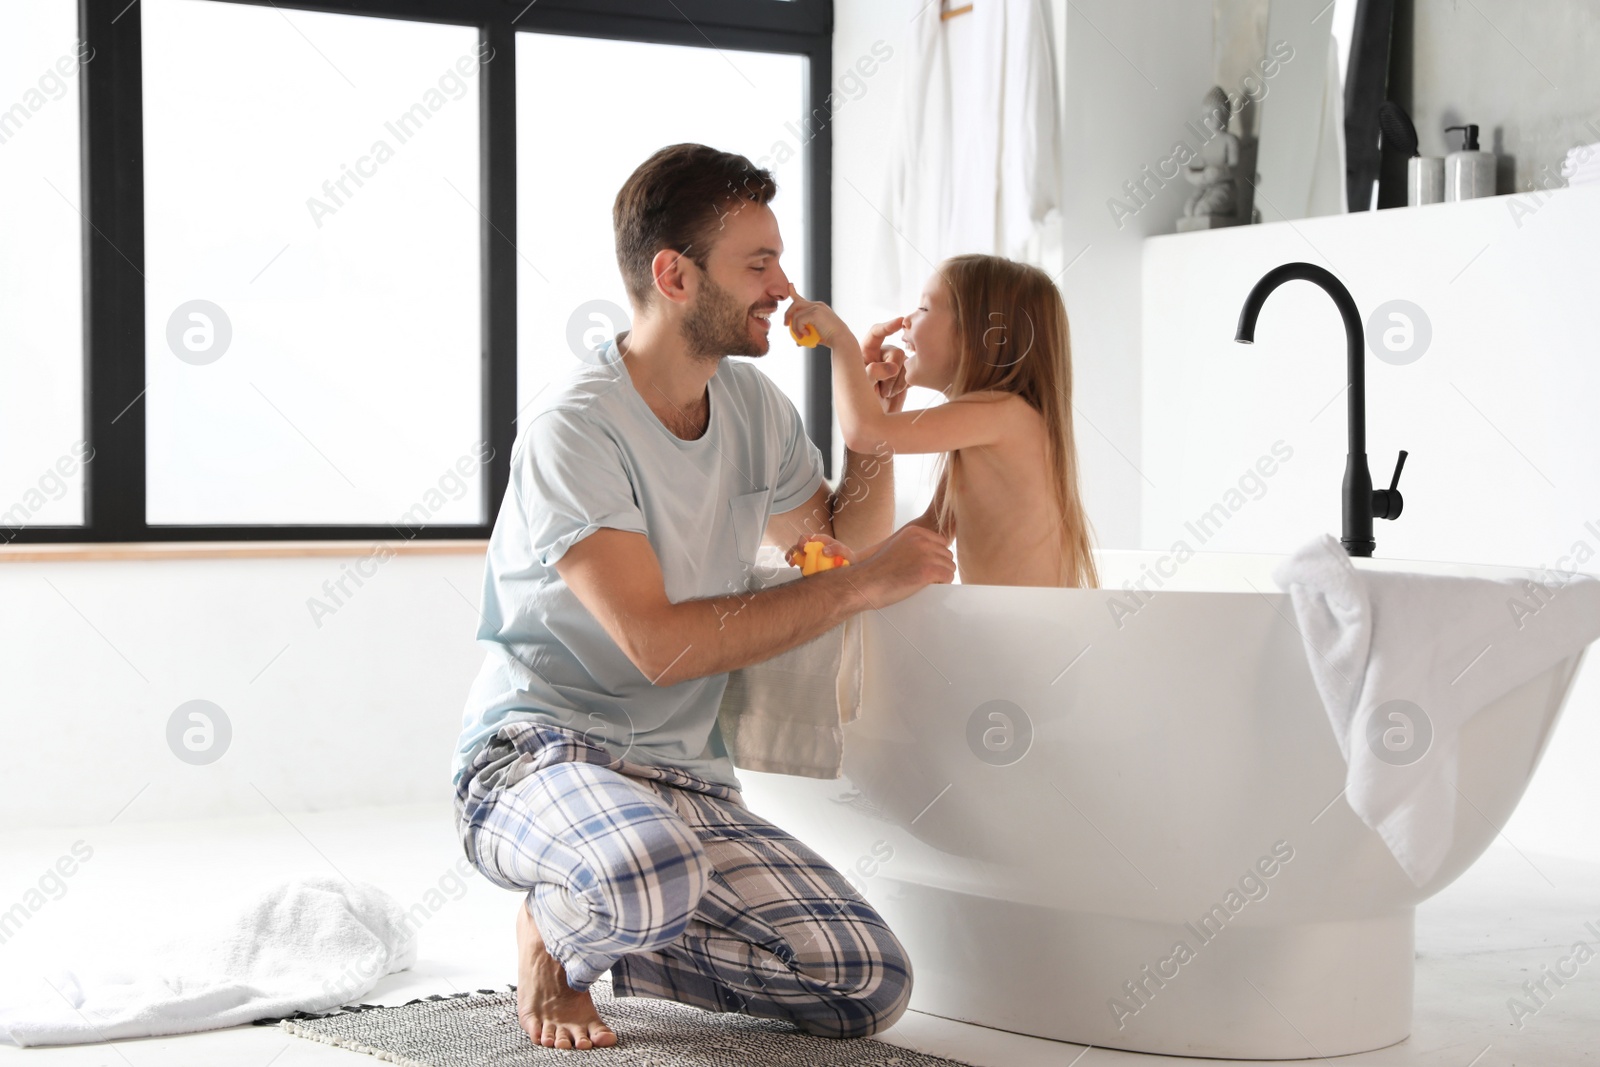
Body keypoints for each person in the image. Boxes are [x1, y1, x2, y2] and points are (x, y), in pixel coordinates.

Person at [451, 143, 955, 1051]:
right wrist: (861, 589)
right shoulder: (577, 426)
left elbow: (836, 550)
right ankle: (559, 933)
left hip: (681, 777)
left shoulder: (756, 407)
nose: (781, 285)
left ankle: (622, 918)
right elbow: (659, 646)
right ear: (673, 275)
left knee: (864, 983)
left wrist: (870, 419)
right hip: (540, 752)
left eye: (779, 259)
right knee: (647, 870)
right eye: (757, 263)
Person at [786, 254, 1100, 588]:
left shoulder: (1004, 414)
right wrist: (850, 561)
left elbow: (864, 433)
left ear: (982, 335)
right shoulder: (985, 426)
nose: (906, 320)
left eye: (923, 309)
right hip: (1013, 624)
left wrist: (841, 341)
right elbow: (931, 529)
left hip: (1034, 628)